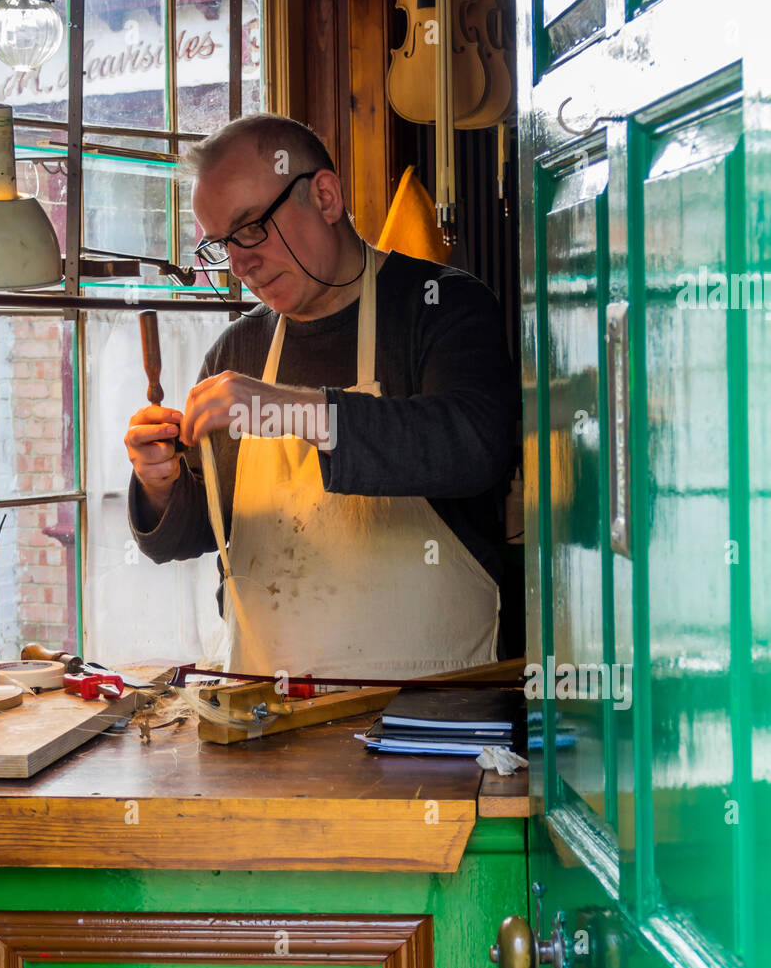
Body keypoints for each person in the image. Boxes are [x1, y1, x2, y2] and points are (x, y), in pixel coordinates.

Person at [124, 114, 517, 679]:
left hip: (432, 717)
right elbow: (199, 532)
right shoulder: (239, 350)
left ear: (326, 196)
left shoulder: (441, 306)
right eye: (222, 246)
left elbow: (474, 446)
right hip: (267, 712)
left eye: (252, 227)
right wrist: (159, 484)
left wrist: (296, 409)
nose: (241, 264)